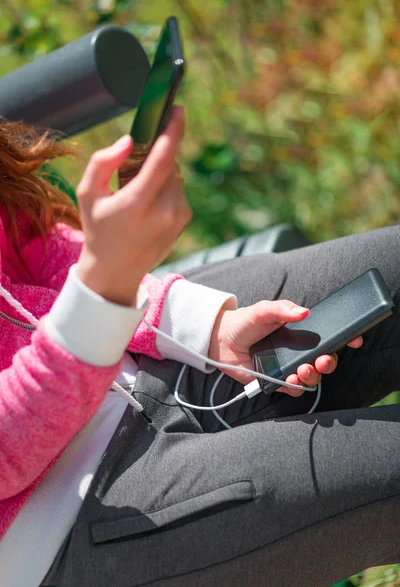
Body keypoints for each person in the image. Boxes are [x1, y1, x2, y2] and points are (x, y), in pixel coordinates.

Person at [0, 106, 398, 587]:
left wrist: (199, 325)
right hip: (68, 520)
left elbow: (28, 244)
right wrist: (104, 288)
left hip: (146, 345)